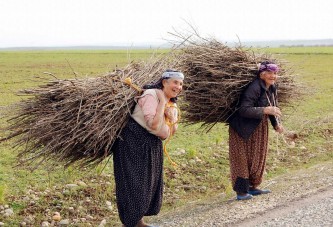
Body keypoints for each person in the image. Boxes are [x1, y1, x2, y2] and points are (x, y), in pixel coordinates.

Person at [112, 69, 184, 227]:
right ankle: (130, 223)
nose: (178, 87)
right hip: (133, 142)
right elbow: (153, 124)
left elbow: (169, 132)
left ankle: (138, 222)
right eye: (175, 82)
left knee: (148, 184)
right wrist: (162, 106)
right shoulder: (151, 95)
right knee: (134, 184)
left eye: (180, 84)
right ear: (164, 82)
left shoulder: (172, 103)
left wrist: (170, 117)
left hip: (151, 145)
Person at [227, 61, 284, 200]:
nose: (273, 76)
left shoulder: (272, 87)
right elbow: (243, 109)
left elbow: (272, 107)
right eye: (270, 73)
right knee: (241, 159)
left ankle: (253, 187)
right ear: (262, 74)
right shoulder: (254, 87)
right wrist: (264, 110)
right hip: (241, 128)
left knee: (257, 157)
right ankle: (241, 192)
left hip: (259, 127)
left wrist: (276, 124)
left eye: (275, 73)